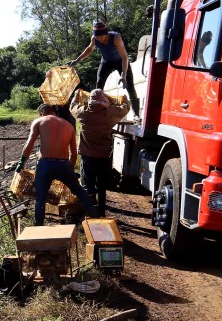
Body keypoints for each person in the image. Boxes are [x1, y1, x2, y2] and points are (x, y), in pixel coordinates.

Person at [15, 104, 99, 226]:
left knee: (40, 199)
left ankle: (38, 227)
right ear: (54, 111)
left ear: (42, 112)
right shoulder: (69, 126)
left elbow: (29, 144)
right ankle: (96, 218)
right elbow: (74, 154)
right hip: (63, 164)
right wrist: (68, 169)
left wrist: (21, 162)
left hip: (45, 164)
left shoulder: (39, 121)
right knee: (79, 191)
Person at [70, 89, 130, 217]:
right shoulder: (109, 114)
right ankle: (101, 212)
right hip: (104, 156)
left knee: (88, 185)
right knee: (102, 186)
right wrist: (125, 100)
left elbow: (72, 106)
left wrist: (75, 96)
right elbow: (125, 108)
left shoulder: (83, 113)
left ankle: (91, 213)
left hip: (88, 157)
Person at [69, 21, 140, 118]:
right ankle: (98, 110)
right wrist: (78, 60)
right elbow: (90, 49)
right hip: (106, 61)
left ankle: (136, 114)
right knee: (99, 85)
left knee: (130, 86)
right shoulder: (94, 38)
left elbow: (124, 57)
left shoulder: (116, 38)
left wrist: (123, 75)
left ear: (106, 33)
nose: (100, 39)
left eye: (101, 36)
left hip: (120, 61)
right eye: (97, 37)